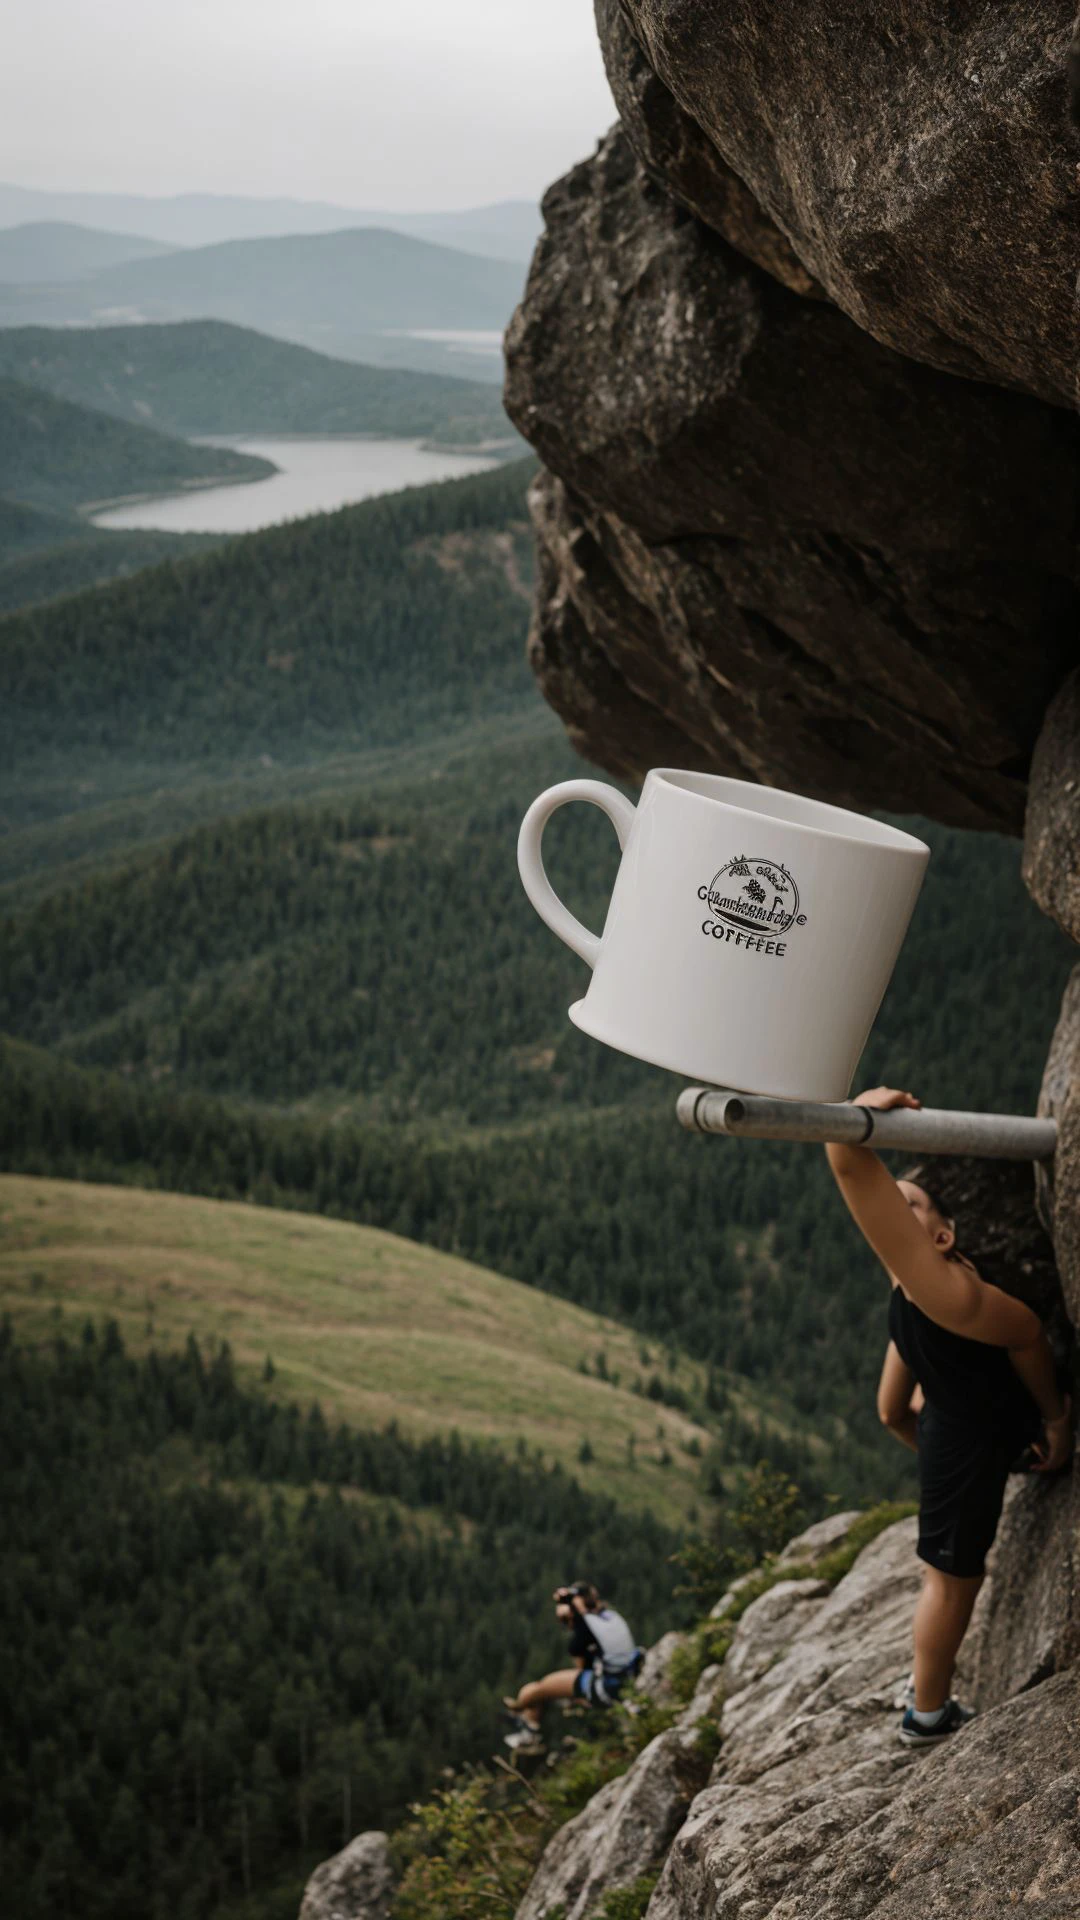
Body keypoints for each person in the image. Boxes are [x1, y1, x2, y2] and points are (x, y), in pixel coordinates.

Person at [825, 1085, 1073, 1748]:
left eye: (912, 1205)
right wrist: (1053, 1422)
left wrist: (931, 1440)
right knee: (955, 1583)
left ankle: (923, 1694)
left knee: (949, 1574)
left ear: (944, 1233)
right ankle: (926, 1716)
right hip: (969, 1448)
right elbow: (1026, 1337)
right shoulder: (954, 1294)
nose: (896, 1214)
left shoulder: (909, 1296)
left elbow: (889, 1409)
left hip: (950, 1442)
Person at [503, 1582, 643, 1751]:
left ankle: (522, 1714)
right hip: (625, 1676)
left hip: (606, 1688)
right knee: (549, 1687)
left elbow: (581, 1669)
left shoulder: (584, 1627)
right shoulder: (611, 1616)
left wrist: (572, 1608)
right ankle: (526, 1720)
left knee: (540, 1687)